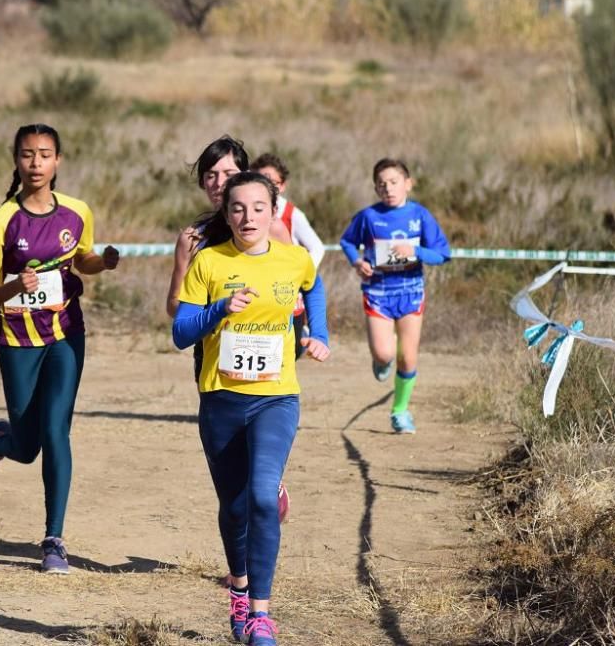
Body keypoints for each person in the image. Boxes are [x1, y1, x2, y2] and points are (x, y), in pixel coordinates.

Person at [172, 171, 330, 646]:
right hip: (220, 399)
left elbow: (314, 288)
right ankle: (238, 589)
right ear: (226, 213)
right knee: (234, 505)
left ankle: (260, 613)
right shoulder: (208, 263)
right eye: (238, 208)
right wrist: (219, 309)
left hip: (276, 397)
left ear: (273, 210)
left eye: (258, 207)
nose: (248, 217)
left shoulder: (293, 259)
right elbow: (181, 332)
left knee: (263, 496)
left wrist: (318, 333)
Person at [0, 123, 120, 574]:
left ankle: (53, 540)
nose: (36, 164)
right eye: (27, 155)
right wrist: (13, 287)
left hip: (66, 332)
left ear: (58, 162)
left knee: (55, 432)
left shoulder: (76, 211)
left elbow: (81, 257)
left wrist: (101, 262)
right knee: (28, 446)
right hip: (18, 338)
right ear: (16, 160)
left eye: (44, 155)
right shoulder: (3, 220)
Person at [165, 137, 291, 529]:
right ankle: (246, 546)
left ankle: (268, 495)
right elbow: (174, 308)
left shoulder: (274, 229)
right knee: (232, 474)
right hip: (215, 363)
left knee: (260, 470)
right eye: (211, 175)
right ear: (203, 184)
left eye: (229, 173)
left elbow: (297, 287)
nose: (220, 182)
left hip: (269, 361)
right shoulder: (194, 238)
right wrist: (212, 308)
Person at [339, 158, 450, 434]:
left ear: (408, 184)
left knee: (408, 357)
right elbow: (347, 241)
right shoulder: (368, 216)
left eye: (393, 182)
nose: (388, 188)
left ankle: (400, 411)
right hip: (378, 292)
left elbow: (442, 254)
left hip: (411, 292)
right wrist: (356, 262)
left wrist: (416, 252)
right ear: (376, 189)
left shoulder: (420, 215)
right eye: (381, 184)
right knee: (385, 352)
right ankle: (380, 361)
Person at [251, 153, 326, 360]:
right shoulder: (246, 210)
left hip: (289, 287)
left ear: (282, 186)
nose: (266, 185)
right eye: (260, 179)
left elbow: (317, 247)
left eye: (272, 181)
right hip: (259, 284)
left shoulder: (292, 214)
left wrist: (300, 276)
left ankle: (301, 336)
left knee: (291, 350)